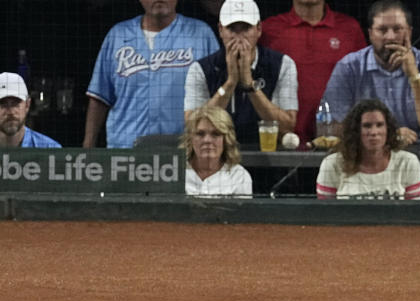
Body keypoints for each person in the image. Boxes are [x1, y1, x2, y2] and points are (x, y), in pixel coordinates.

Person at [84, 0, 220, 148]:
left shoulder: (201, 33)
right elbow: (100, 97)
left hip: (184, 150)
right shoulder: (118, 35)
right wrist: (88, 147)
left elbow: (219, 96)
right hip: (125, 150)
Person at [321, 0, 420, 147]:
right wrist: (388, 135)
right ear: (370, 34)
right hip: (363, 158)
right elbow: (331, 130)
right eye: (382, 30)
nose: (390, 37)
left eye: (397, 29)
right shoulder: (348, 67)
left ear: (409, 31)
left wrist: (414, 76)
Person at [184, 0, 299, 149]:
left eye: (245, 28)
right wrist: (230, 83)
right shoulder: (200, 69)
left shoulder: (282, 64)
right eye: (232, 29)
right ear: (220, 30)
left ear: (258, 29)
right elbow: (191, 126)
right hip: (216, 158)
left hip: (268, 158)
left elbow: (287, 126)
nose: (239, 37)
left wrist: (249, 85)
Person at [261, 0, 366, 146]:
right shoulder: (269, 30)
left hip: (337, 144)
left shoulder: (350, 29)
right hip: (282, 142)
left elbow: (364, 87)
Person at [316, 97, 420, 199]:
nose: (374, 132)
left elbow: (414, 213)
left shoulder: (408, 162)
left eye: (379, 125)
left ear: (388, 129)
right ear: (356, 131)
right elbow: (325, 214)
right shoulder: (332, 164)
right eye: (367, 126)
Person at [181, 106, 253, 197]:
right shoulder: (175, 172)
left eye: (216, 134)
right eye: (200, 134)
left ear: (226, 139)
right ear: (190, 138)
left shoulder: (239, 176)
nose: (207, 140)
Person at [0, 73, 61, 148]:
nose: (11, 112)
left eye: (16, 103)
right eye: (3, 104)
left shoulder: (50, 149)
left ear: (27, 105)